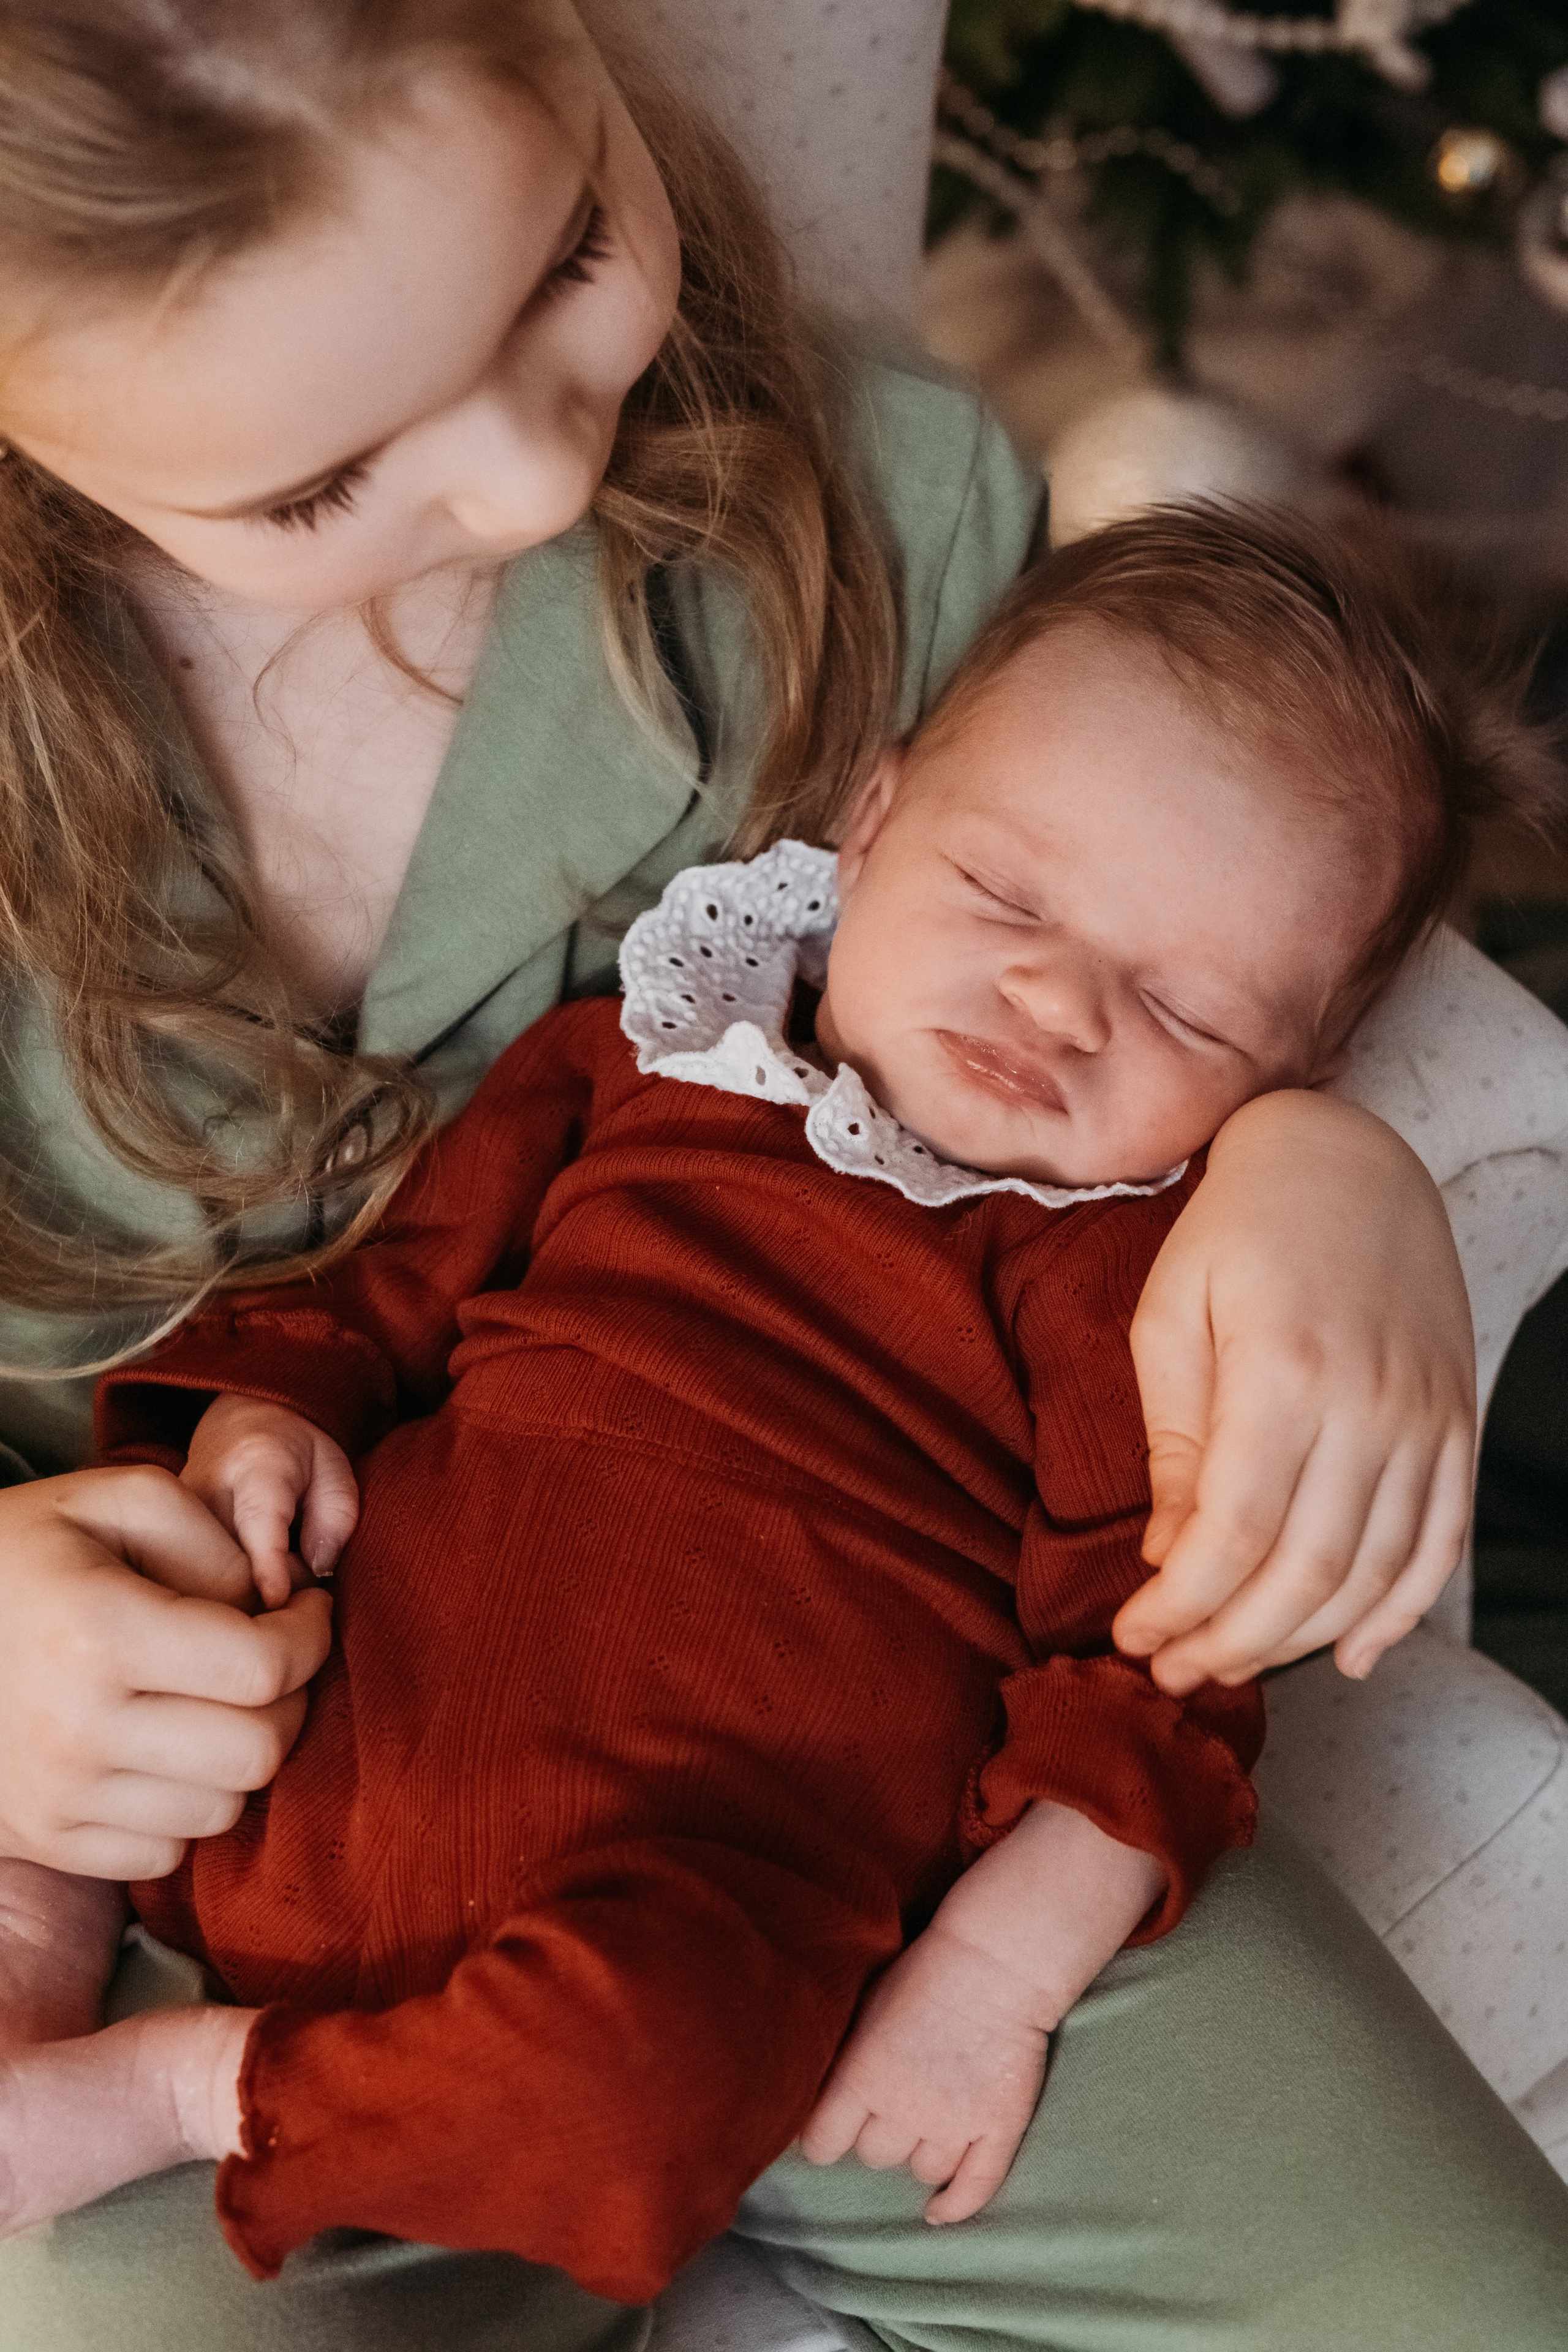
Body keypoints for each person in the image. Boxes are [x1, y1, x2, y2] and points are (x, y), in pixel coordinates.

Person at [0, 2, 1533, 2345]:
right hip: (189, 1792)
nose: (534, 482)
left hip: (890, 1832)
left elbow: (1169, 874)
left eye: (566, 259)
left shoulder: (878, 503)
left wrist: (1321, 1158)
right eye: (317, 482)